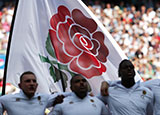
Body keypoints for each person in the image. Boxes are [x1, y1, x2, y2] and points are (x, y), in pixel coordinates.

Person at [0, 71, 65, 115]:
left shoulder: (45, 98)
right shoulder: (6, 100)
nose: (32, 83)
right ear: (20, 85)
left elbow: (68, 96)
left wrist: (58, 105)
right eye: (27, 81)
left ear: (37, 85)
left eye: (34, 81)